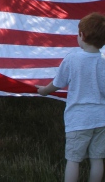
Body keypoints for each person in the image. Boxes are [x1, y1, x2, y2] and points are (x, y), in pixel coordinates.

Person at [36, 13, 105, 182]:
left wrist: (44, 90)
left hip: (78, 119)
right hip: (101, 119)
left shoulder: (72, 59)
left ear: (82, 36)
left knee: (73, 160)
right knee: (97, 159)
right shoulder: (103, 61)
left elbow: (58, 83)